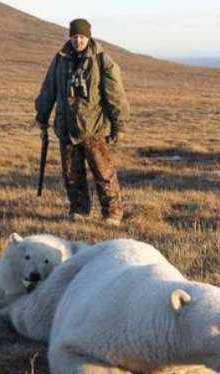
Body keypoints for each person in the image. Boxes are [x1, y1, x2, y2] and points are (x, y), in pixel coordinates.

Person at [35, 18, 129, 226]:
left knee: (103, 173)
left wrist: (118, 125)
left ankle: (112, 213)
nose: (78, 40)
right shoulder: (60, 60)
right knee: (71, 173)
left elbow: (116, 95)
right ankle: (79, 210)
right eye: (75, 36)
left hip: (94, 128)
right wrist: (42, 117)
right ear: (70, 36)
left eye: (82, 37)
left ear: (88, 37)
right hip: (66, 127)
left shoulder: (102, 60)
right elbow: (48, 89)